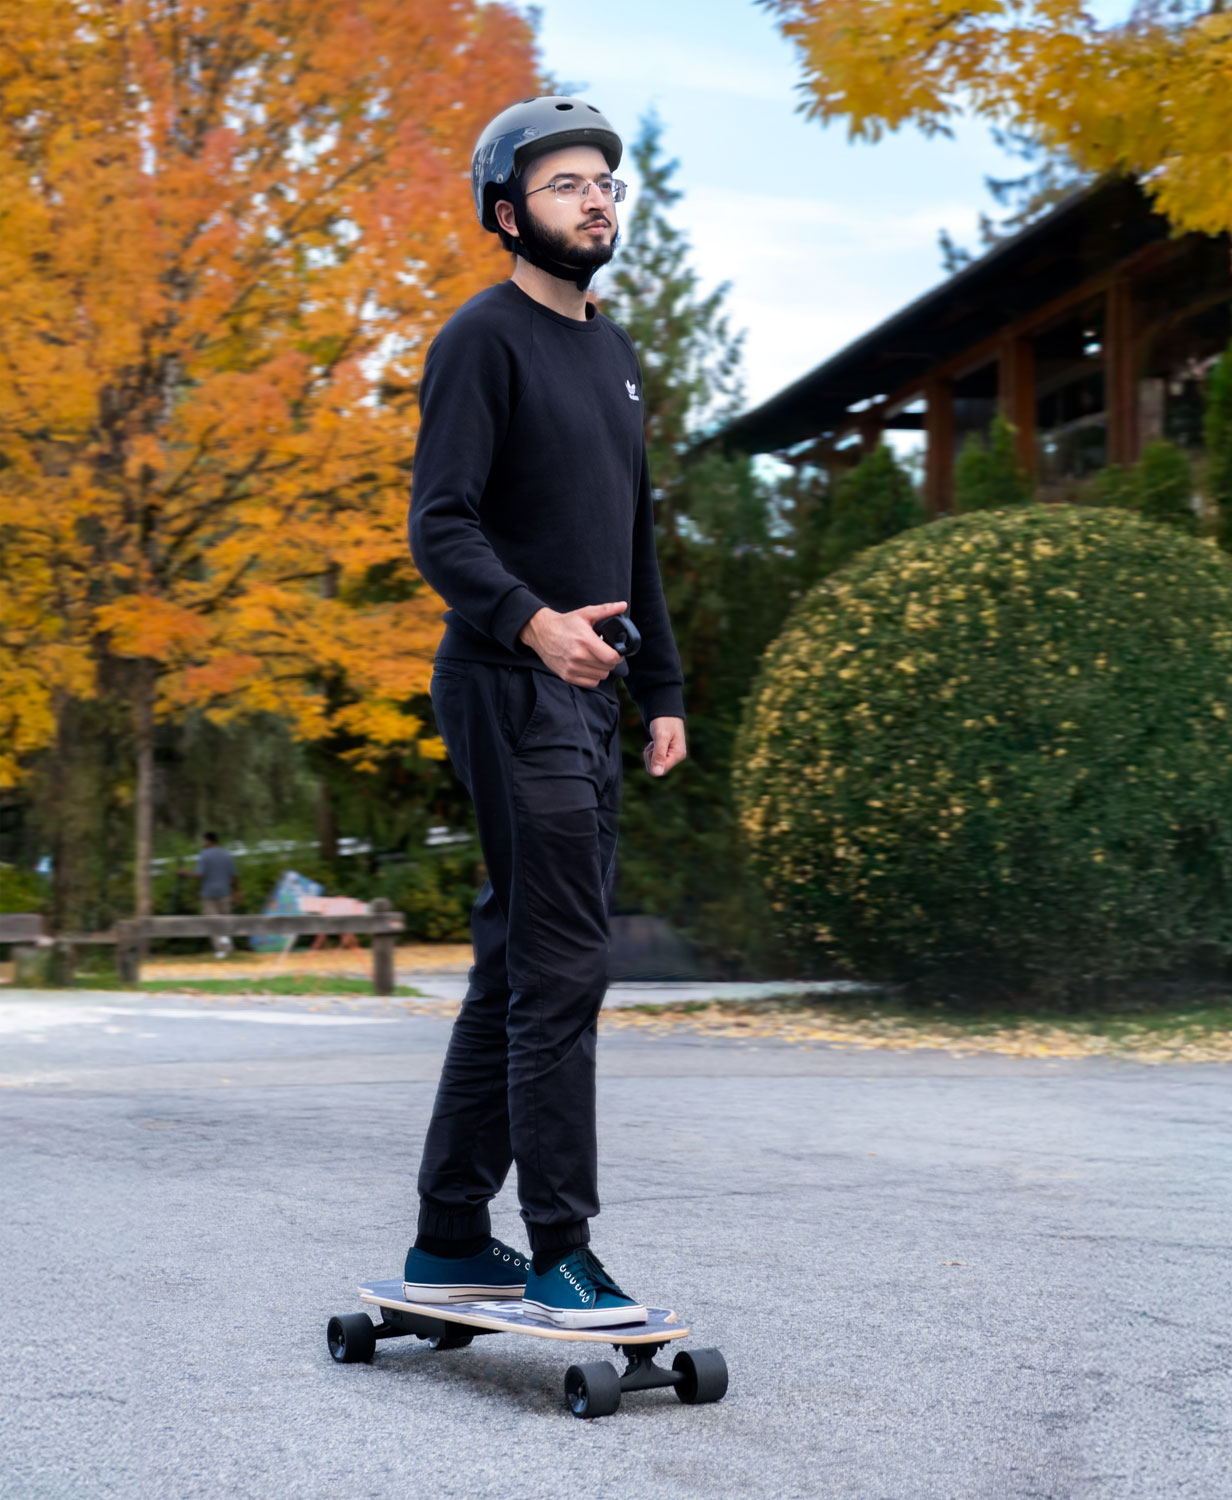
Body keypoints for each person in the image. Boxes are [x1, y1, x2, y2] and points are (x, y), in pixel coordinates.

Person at [402, 96, 688, 1329]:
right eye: (567, 184)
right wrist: (534, 623)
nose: (596, 200)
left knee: (518, 960)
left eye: (604, 184)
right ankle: (561, 1251)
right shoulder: (483, 339)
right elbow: (441, 524)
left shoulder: (615, 355)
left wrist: (662, 688)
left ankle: (450, 1239)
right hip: (509, 682)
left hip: (590, 693)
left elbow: (633, 537)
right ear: (509, 212)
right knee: (565, 965)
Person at [192, 832, 238, 958]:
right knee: (225, 919)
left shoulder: (204, 854)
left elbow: (200, 874)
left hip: (209, 894)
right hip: (224, 892)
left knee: (213, 921)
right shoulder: (227, 854)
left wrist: (186, 873)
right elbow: (234, 875)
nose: (203, 843)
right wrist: (236, 891)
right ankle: (227, 944)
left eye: (204, 841)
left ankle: (221, 950)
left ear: (208, 841)